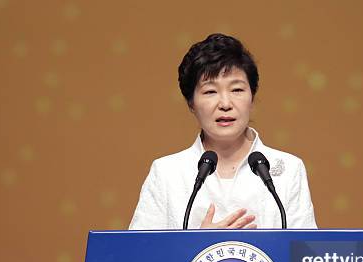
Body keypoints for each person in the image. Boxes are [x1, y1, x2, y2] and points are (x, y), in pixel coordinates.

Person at [128, 33, 316, 230]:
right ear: (191, 103)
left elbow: (304, 256)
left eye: (237, 90)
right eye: (210, 92)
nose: (225, 104)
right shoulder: (167, 173)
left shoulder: (288, 169)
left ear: (252, 97)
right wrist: (197, 245)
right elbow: (139, 255)